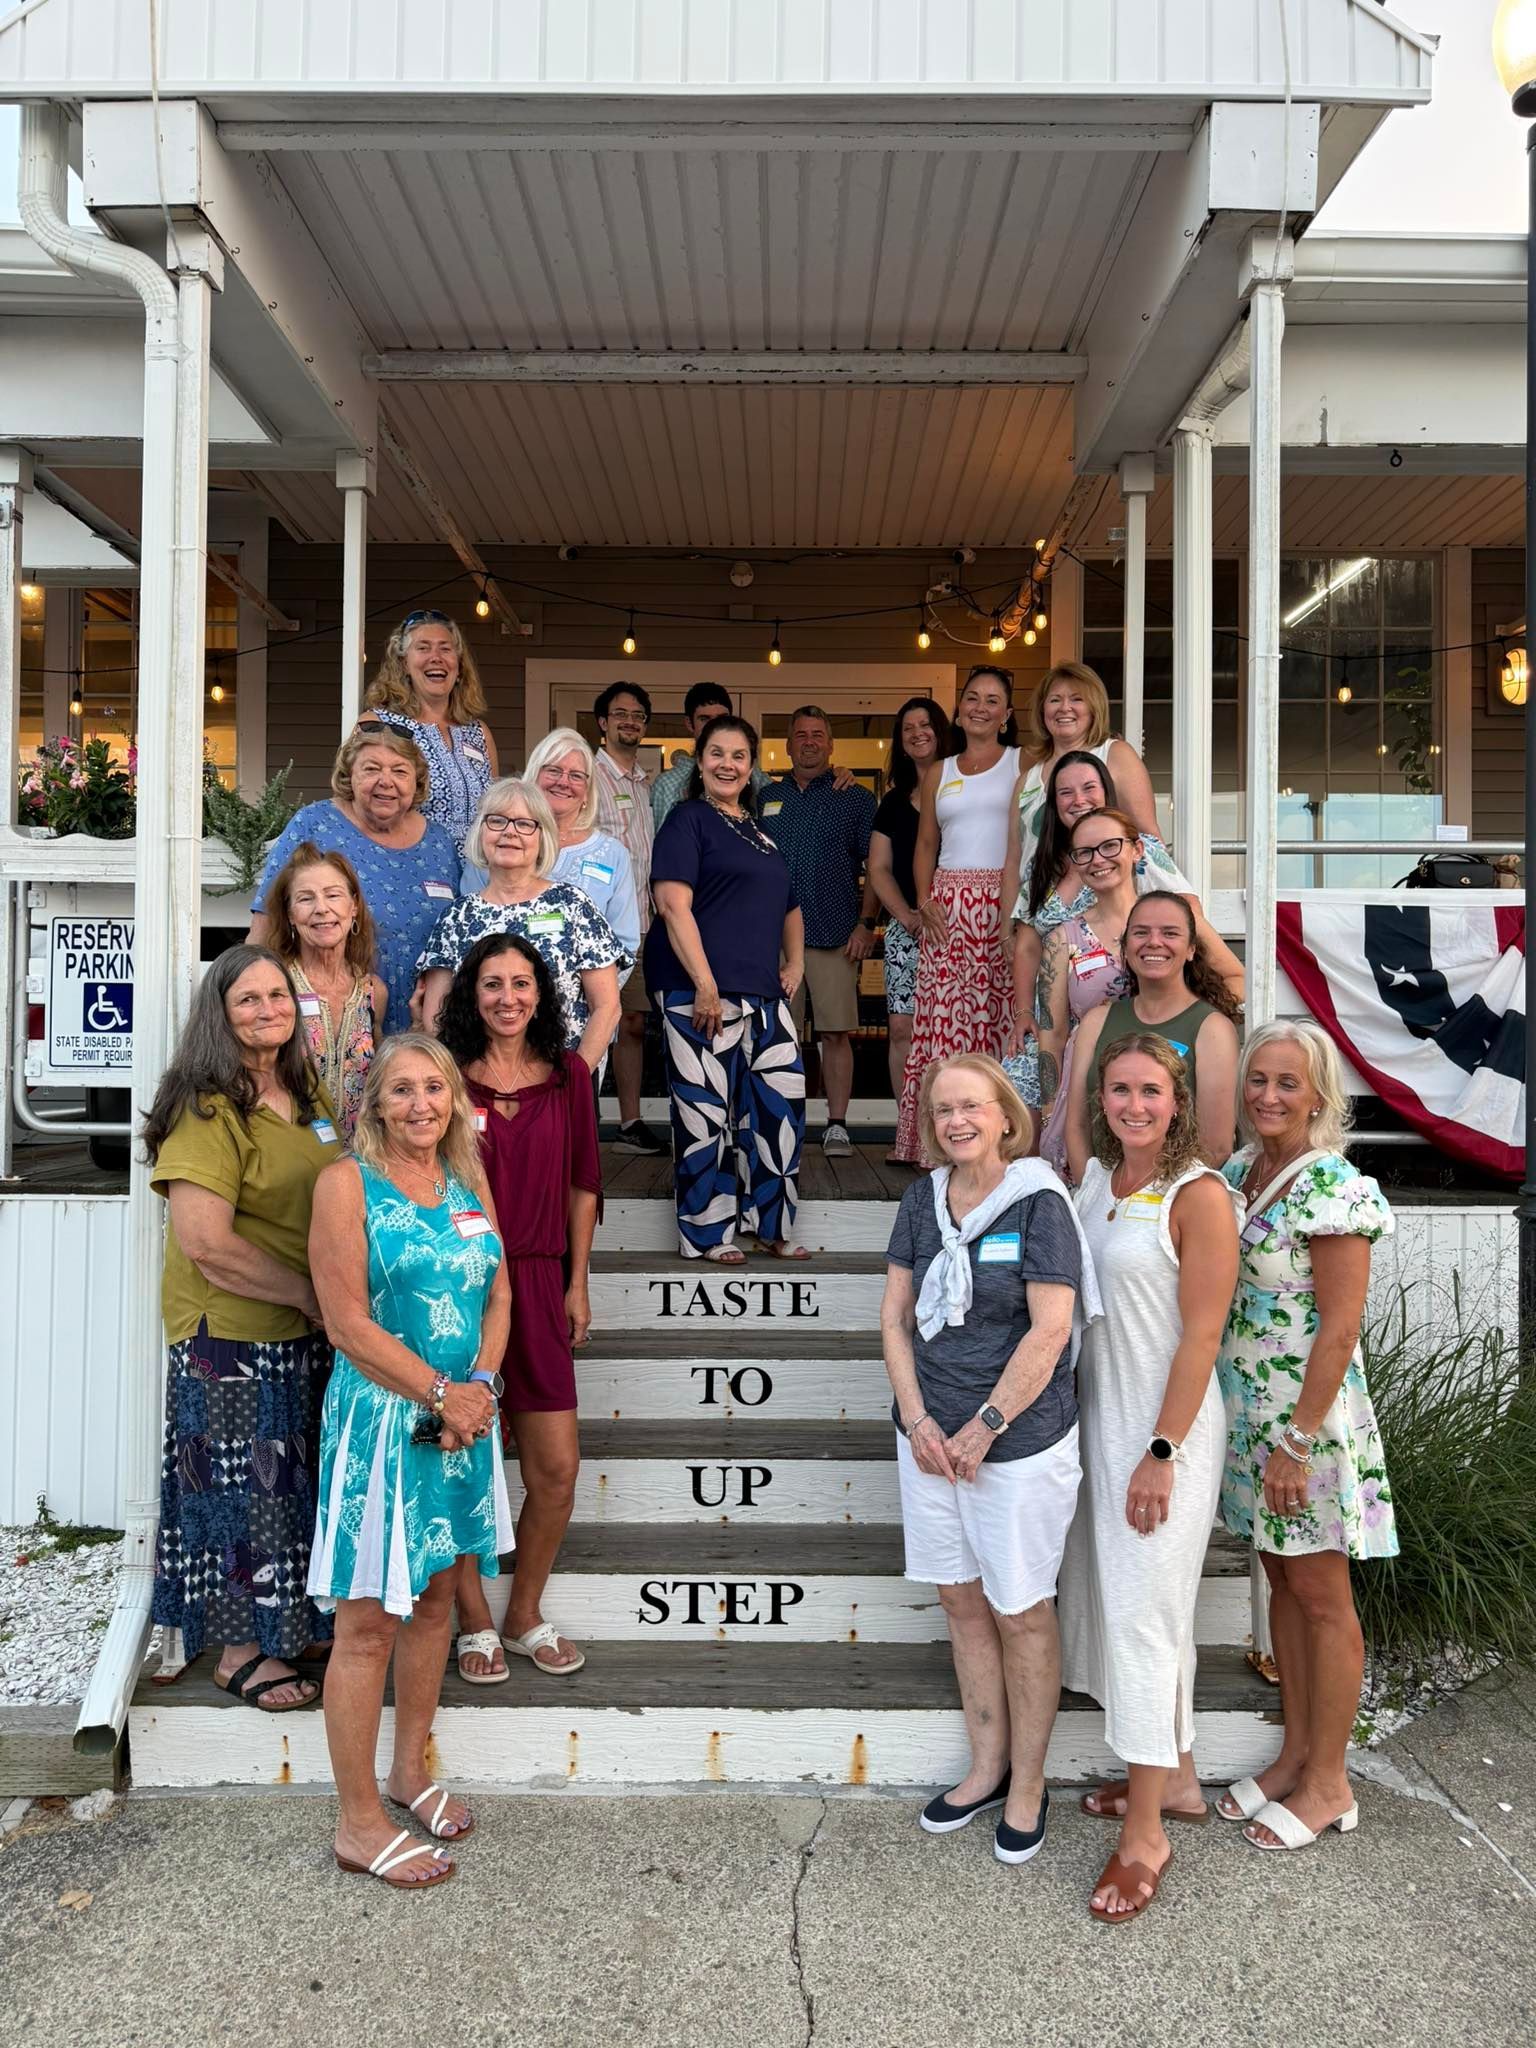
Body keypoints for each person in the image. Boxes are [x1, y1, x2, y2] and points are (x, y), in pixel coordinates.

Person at [880, 1055, 1098, 1866]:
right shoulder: (920, 1200)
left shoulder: (1039, 1202)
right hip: (930, 1442)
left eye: (971, 1106)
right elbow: (896, 1320)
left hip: (1018, 1445)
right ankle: (985, 1768)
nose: (956, 1121)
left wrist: (984, 1426)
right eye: (942, 1110)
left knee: (1019, 1611)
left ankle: (1032, 1784)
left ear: (1006, 1116)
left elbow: (1051, 1331)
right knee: (962, 1605)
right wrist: (918, 1420)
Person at [307, 1033, 513, 1890]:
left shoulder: (467, 1180)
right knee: (366, 1626)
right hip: (384, 1426)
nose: (421, 1104)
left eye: (435, 1088)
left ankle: (408, 1773)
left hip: (464, 1421)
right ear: (374, 1104)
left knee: (435, 1602)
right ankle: (358, 1823)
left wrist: (483, 1389)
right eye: (402, 1091)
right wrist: (442, 1393)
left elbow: (499, 1290)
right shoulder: (344, 1184)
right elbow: (348, 1324)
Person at [1059, 1036, 1238, 1923]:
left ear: (1177, 1103)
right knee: (1128, 1607)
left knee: (1143, 1617)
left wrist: (1162, 1451)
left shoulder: (1198, 1195)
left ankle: (1144, 1837)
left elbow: (1202, 1336)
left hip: (1163, 1437)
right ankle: (1179, 1783)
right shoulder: (1099, 1186)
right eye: (1119, 1089)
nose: (1134, 1104)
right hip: (1102, 1428)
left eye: (1151, 1092)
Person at [1213, 1021, 1397, 1853]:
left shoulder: (1332, 1184)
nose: (1269, 1096)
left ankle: (1332, 1782)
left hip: (1305, 1427)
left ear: (1319, 1094)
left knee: (1322, 1598)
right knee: (1281, 1585)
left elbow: (1338, 1328)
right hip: (1251, 1416)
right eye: (1259, 1080)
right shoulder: (1239, 1172)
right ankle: (1294, 1756)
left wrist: (1295, 1442)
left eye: (1288, 1083)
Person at [141, 945, 339, 1714]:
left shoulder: (305, 1093)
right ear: (219, 1018)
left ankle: (288, 1627)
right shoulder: (206, 1106)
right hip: (227, 1339)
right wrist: (309, 1296)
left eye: (277, 996)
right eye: (248, 1000)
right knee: (236, 1497)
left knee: (289, 1491)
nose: (268, 1010)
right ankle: (237, 1652)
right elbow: (208, 1245)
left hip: (300, 1331)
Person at [438, 935, 599, 1681]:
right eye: (493, 983)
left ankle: (523, 1609)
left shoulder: (569, 1075)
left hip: (538, 1280)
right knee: (458, 1463)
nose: (508, 997)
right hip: (457, 1290)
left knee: (556, 1468)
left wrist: (578, 1280)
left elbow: (583, 1183)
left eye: (522, 983)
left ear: (542, 992)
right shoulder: (444, 1080)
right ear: (472, 993)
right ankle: (472, 1619)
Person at [1004, 664, 1244, 1062]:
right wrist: (1009, 941)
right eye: (1055, 699)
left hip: (1118, 1007)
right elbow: (1015, 862)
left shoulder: (1115, 757)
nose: (1065, 708)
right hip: (1050, 986)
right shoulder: (1029, 778)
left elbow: (1149, 841)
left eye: (1076, 698)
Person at [647, 713, 808, 1262]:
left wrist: (796, 963)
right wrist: (705, 983)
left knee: (779, 1110)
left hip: (763, 995)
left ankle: (772, 1226)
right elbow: (673, 904)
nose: (728, 764)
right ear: (700, 760)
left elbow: (789, 902)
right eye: (717, 753)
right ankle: (708, 1232)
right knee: (705, 1116)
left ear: (752, 766)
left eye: (739, 756)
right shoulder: (686, 821)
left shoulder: (760, 831)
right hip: (699, 993)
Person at [1006, 750, 1242, 1106]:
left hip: (1143, 1035)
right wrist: (1023, 1012)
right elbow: (1025, 947)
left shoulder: (1141, 853)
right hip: (1062, 1007)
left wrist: (1194, 1024)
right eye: (1065, 792)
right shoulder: (1043, 865)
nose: (1078, 799)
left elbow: (1187, 911)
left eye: (1089, 788)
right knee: (1009, 1097)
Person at [891, 666, 1022, 1164]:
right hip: (948, 908)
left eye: (993, 700)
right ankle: (936, 1146)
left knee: (999, 1017)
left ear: (1007, 715)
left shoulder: (1021, 762)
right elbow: (926, 844)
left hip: (1002, 903)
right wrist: (924, 902)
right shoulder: (938, 772)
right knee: (943, 1024)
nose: (981, 707)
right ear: (959, 708)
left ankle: (1002, 1143)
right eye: (972, 698)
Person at [250, 724, 460, 1026]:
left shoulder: (439, 842)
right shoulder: (315, 824)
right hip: (333, 1018)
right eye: (371, 769)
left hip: (425, 1022)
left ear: (417, 781)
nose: (386, 782)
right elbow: (266, 921)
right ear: (349, 776)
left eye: (400, 772)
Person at [416, 779, 626, 1073]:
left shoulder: (574, 906)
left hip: (562, 1082)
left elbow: (607, 1006)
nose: (509, 832)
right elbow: (436, 1015)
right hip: (478, 1088)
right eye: (497, 820)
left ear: (542, 837)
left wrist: (575, 1078)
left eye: (525, 823)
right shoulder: (457, 917)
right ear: (480, 832)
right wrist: (459, 1081)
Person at [759, 704, 877, 1157]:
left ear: (831, 745)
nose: (809, 742)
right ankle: (778, 1121)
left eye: (817, 735)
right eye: (800, 735)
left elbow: (876, 866)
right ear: (787, 745)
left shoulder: (855, 799)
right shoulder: (765, 799)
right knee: (776, 1034)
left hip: (834, 934)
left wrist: (866, 924)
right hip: (773, 942)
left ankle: (837, 1124)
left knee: (835, 1033)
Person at [1065, 893, 1241, 1177]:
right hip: (1102, 1199)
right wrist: (1096, 1194)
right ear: (1125, 945)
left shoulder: (1212, 1028)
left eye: (1170, 933)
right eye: (1141, 932)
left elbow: (1216, 1146)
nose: (1154, 942)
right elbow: (1076, 1127)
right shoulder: (1096, 1022)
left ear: (1191, 949)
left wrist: (1148, 1202)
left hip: (1173, 1202)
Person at [1034, 808, 1141, 1179]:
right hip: (1087, 1087)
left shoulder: (1167, 919)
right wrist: (1050, 1111)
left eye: (1110, 846)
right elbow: (1052, 1035)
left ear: (1136, 850)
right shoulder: (1064, 937)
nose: (1098, 860)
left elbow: (1234, 978)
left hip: (1158, 1081)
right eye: (1085, 852)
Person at [264, 843, 386, 1140]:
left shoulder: (373, 991)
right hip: (288, 1152)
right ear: (290, 914)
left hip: (357, 1161)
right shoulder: (274, 985)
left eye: (333, 895)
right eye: (306, 899)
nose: (322, 908)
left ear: (353, 907)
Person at [869, 696, 952, 1123]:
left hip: (959, 925)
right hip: (908, 929)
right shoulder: (894, 802)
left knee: (950, 1030)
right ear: (900, 743)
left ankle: (951, 1126)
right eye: (908, 729)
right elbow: (878, 868)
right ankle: (909, 1126)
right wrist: (907, 916)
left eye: (926, 725)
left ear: (940, 731)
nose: (918, 733)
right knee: (903, 1027)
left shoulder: (961, 789)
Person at [362, 608, 499, 854]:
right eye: (423, 648)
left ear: (459, 666)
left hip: (475, 877)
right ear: (403, 663)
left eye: (445, 648)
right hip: (409, 868)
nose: (436, 657)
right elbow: (359, 807)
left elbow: (496, 811)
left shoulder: (479, 733)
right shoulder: (378, 724)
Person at [591, 681, 661, 1154]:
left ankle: (629, 1121)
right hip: (596, 923)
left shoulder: (643, 781)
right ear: (603, 723)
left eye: (637, 715)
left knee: (632, 1022)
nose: (629, 722)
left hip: (639, 925)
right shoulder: (588, 776)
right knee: (590, 1021)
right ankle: (583, 1121)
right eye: (620, 714)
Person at [524, 726, 641, 961]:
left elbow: (625, 942)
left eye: (576, 775)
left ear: (587, 792)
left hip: (587, 994)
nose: (564, 782)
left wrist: (595, 994)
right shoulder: (504, 840)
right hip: (507, 993)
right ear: (534, 776)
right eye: (554, 770)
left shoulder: (613, 854)